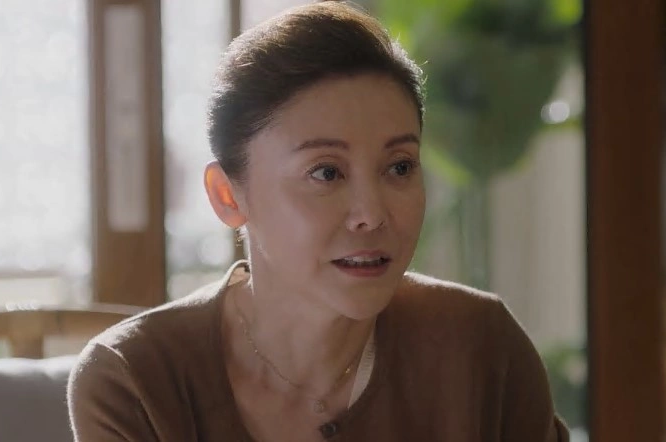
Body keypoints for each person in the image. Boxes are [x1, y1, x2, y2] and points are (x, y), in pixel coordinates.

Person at [67, 2, 569, 441]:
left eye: (399, 167)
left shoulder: (480, 346)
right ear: (227, 196)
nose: (372, 214)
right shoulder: (135, 381)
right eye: (326, 172)